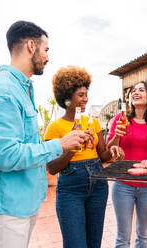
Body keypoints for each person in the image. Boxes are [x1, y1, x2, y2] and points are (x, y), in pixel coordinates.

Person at [0, 21, 86, 248]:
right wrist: (59, 145)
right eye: (46, 50)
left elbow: (23, 144)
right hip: (6, 209)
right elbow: (7, 156)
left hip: (20, 205)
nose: (47, 57)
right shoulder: (2, 92)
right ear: (31, 46)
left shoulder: (19, 89)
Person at [44, 66, 124, 248]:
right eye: (80, 95)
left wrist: (115, 142)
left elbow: (103, 156)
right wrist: (73, 147)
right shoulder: (55, 127)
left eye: (86, 94)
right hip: (70, 190)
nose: (85, 99)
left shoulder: (93, 122)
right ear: (67, 98)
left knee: (94, 243)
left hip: (98, 185)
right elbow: (52, 168)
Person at [107, 81, 147, 248]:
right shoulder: (121, 119)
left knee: (143, 234)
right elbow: (109, 148)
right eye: (133, 91)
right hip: (123, 185)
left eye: (141, 90)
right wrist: (116, 137)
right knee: (123, 236)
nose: (136, 92)